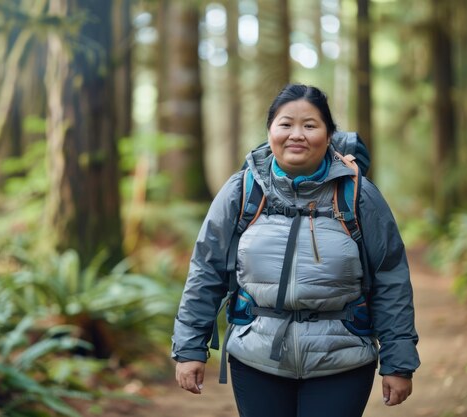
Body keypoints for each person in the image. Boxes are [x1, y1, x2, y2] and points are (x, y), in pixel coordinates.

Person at [171, 83, 420, 417]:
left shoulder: (358, 194)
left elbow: (391, 278)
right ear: (270, 130)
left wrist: (398, 362)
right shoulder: (242, 192)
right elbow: (206, 270)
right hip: (256, 358)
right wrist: (190, 348)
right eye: (286, 124)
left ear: (329, 134)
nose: (296, 135)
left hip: (342, 360)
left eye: (310, 125)